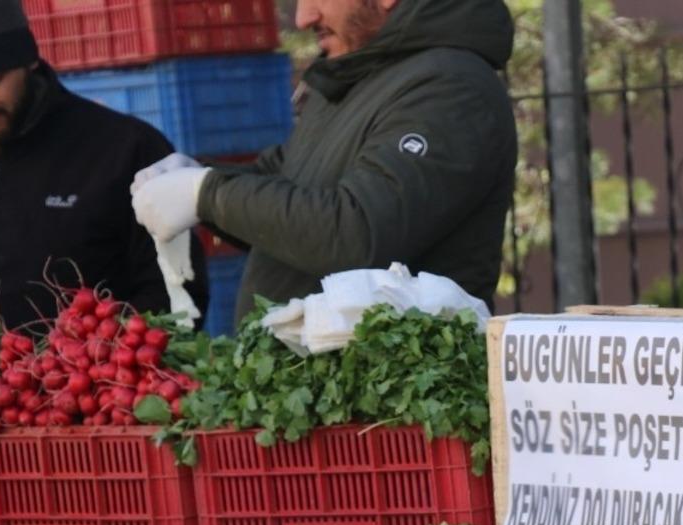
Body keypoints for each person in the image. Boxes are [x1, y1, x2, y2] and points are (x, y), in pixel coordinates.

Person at [132, 0, 517, 320]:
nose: (303, 17)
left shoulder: (451, 89)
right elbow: (287, 178)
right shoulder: (359, 73)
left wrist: (208, 193)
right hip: (309, 391)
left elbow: (357, 232)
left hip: (387, 400)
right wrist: (198, 176)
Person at [0, 0, 206, 330]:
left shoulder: (125, 149)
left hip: (95, 375)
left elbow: (175, 293)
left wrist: (94, 363)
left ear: (30, 61)